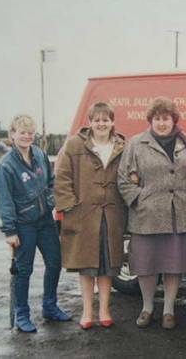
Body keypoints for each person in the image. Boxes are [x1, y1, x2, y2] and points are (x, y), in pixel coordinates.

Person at [117, 97, 186, 330]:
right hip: (146, 215)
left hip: (179, 214)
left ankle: (168, 310)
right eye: (157, 119)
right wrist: (139, 199)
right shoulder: (136, 143)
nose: (162, 123)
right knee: (146, 265)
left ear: (173, 120)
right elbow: (124, 178)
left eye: (166, 118)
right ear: (150, 120)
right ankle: (147, 308)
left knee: (172, 264)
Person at [0, 114, 71, 333]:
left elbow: (50, 182)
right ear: (12, 135)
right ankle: (22, 314)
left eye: (30, 132)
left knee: (55, 262)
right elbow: (4, 200)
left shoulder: (39, 154)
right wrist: (9, 230)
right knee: (23, 271)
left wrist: (50, 201)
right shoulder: (5, 166)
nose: (27, 136)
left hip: (45, 220)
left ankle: (50, 306)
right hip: (23, 225)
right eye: (22, 132)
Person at [54, 102, 126, 330]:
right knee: (86, 267)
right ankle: (87, 312)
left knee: (107, 266)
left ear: (112, 122)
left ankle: (104, 310)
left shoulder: (123, 146)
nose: (101, 124)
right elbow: (62, 177)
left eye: (106, 120)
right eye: (97, 120)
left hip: (112, 216)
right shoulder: (74, 145)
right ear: (90, 122)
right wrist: (70, 206)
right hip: (83, 216)